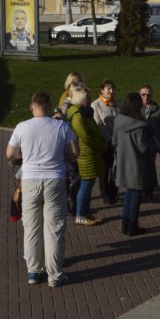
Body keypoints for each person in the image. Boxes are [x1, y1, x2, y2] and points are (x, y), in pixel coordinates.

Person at [6, 91, 78, 287]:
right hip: (54, 179)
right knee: (54, 228)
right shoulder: (61, 126)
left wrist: (20, 159)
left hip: (30, 179)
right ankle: (55, 275)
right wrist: (65, 158)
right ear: (49, 106)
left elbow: (10, 153)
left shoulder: (22, 127)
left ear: (32, 106)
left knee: (31, 227)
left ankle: (34, 271)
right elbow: (74, 152)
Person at [113, 92, 160, 236]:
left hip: (124, 163)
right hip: (137, 165)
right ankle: (132, 225)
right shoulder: (139, 126)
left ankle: (125, 224)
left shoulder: (118, 121)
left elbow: (114, 142)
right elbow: (144, 148)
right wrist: (156, 147)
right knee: (136, 195)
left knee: (129, 193)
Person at [64, 86, 105, 226]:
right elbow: (85, 137)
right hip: (85, 155)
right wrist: (101, 145)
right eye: (86, 98)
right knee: (86, 185)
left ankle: (85, 212)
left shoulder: (85, 113)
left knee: (87, 184)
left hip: (91, 154)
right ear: (79, 99)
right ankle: (80, 215)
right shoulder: (77, 115)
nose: (89, 100)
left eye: (89, 97)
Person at [92, 79, 119, 204]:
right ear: (102, 90)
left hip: (117, 142)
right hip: (104, 143)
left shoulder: (117, 103)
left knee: (116, 168)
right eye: (108, 88)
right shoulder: (95, 104)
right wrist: (109, 140)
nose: (111, 91)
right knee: (105, 169)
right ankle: (105, 194)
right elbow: (98, 124)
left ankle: (114, 191)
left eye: (113, 88)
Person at [139, 85, 160, 201]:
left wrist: (157, 140)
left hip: (152, 143)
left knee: (151, 168)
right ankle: (140, 192)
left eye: (148, 95)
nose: (146, 97)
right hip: (139, 144)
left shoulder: (157, 109)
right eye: (143, 95)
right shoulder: (137, 109)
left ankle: (150, 192)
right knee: (140, 168)